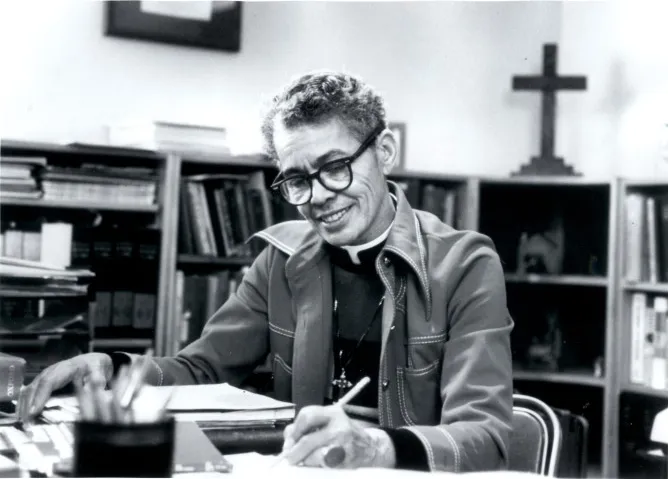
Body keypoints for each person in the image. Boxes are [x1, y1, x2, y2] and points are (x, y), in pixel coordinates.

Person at [18, 71, 514, 472]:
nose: (318, 196)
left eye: (336, 166)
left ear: (384, 152)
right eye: (297, 179)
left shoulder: (464, 264)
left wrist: (375, 447)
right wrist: (114, 367)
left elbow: (487, 437)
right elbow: (203, 370)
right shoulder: (279, 259)